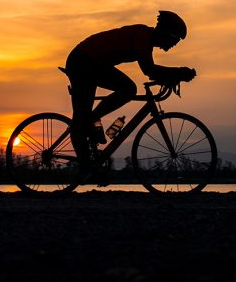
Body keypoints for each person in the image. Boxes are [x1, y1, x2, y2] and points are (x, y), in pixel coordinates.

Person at [63, 10, 197, 175]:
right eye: (175, 39)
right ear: (165, 32)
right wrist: (179, 73)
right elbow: (149, 70)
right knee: (125, 91)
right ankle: (87, 159)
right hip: (83, 61)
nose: (175, 44)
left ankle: (90, 153)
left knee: (112, 98)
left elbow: (152, 71)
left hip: (91, 61)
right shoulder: (142, 36)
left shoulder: (146, 40)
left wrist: (175, 75)